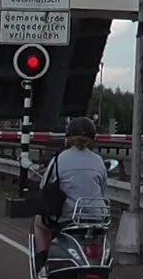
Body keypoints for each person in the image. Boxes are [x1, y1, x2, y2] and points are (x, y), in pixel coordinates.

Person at [33, 117, 108, 273]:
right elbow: (103, 190)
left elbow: (44, 187)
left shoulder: (59, 159)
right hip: (97, 219)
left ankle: (42, 267)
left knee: (39, 224)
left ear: (68, 137)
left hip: (69, 217)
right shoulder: (99, 161)